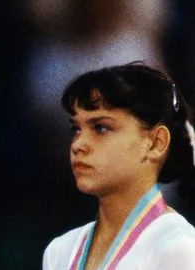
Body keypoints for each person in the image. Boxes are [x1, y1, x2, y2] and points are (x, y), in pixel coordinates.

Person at [42, 63, 195, 269]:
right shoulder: (59, 251)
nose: (78, 145)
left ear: (155, 143)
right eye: (76, 129)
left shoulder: (176, 248)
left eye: (101, 128)